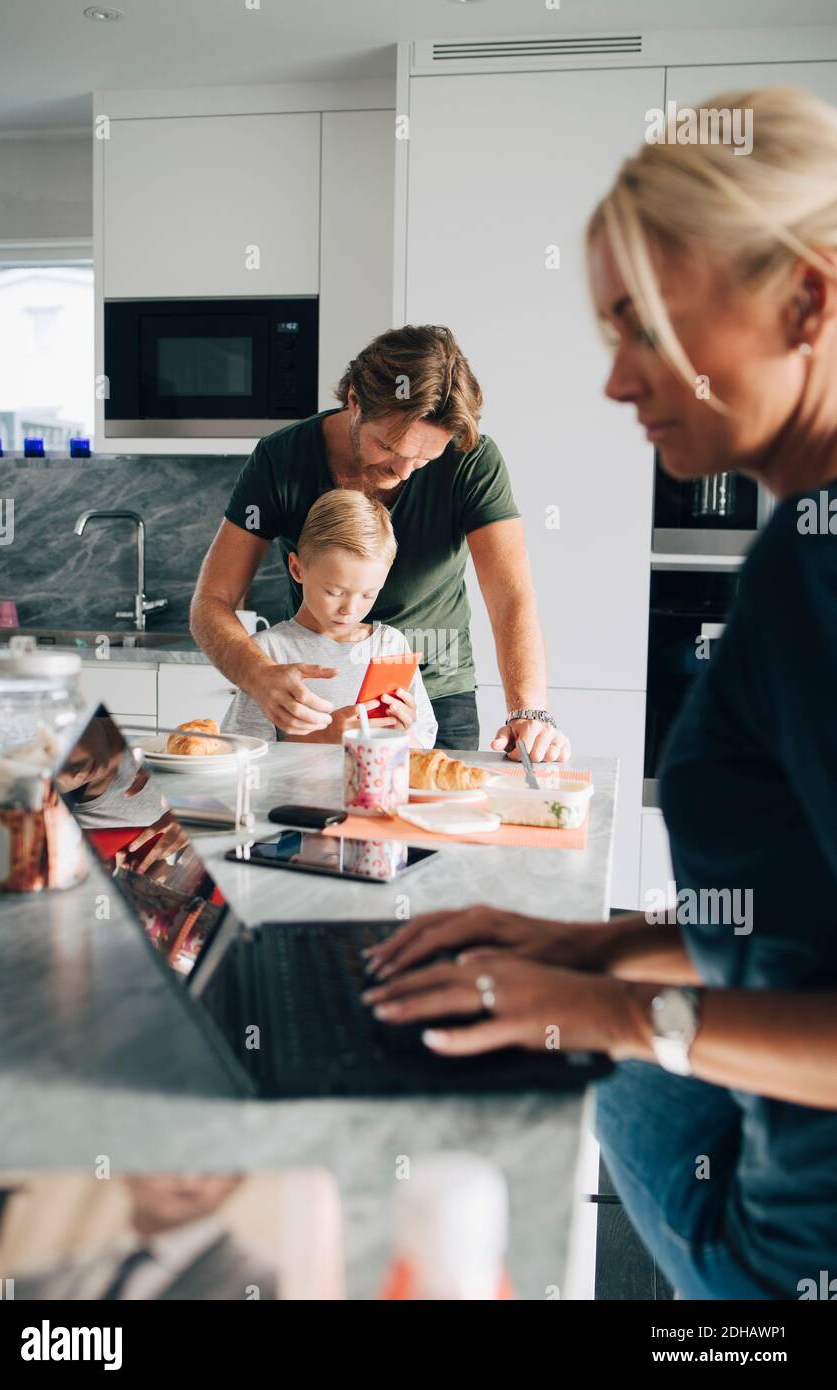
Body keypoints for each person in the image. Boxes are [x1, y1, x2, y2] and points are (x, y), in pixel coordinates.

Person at [361, 87, 837, 1300]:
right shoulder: (801, 545)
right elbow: (801, 924)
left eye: (643, 327)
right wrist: (592, 946)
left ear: (805, 295)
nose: (616, 381)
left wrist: (622, 1017)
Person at [192, 324, 570, 760]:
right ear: (354, 402)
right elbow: (212, 600)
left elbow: (511, 597)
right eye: (389, 447)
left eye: (425, 459)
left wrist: (529, 711)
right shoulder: (281, 459)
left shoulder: (472, 462)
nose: (405, 471)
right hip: (315, 701)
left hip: (432, 697)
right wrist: (259, 676)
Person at [221, 488, 437, 748]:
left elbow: (423, 741)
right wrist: (323, 738)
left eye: (368, 595)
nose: (350, 608)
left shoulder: (390, 645)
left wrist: (405, 733)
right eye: (334, 592)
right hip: (292, 790)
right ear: (297, 569)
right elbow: (242, 749)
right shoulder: (267, 652)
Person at [15, 1174, 276, 1300]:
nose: (188, 1181)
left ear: (238, 1180)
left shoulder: (257, 1283)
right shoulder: (38, 1282)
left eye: (211, 1167)